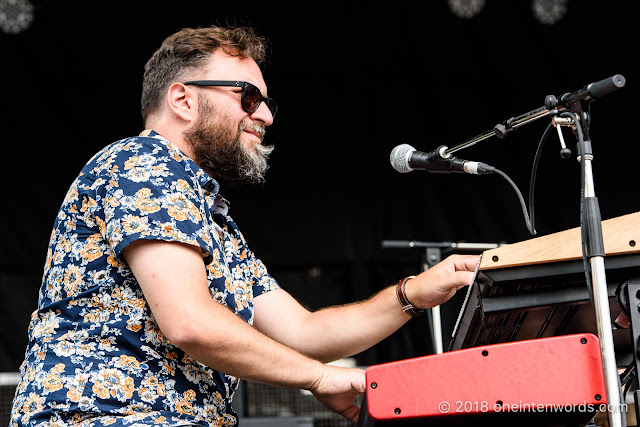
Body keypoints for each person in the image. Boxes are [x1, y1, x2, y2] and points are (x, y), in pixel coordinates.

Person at [10, 25, 480, 426]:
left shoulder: (211, 217)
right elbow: (191, 322)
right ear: (183, 100)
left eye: (267, 101)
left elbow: (305, 333)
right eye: (248, 97)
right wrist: (317, 378)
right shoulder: (144, 163)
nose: (266, 115)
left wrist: (416, 292)